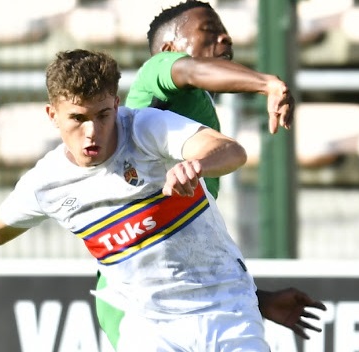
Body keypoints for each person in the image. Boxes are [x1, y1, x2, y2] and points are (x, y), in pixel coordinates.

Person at [0, 49, 275, 351]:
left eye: (102, 115)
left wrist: (198, 166)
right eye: (78, 119)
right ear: (52, 115)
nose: (93, 132)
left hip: (225, 305)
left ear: (116, 103)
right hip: (150, 326)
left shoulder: (145, 128)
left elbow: (230, 150)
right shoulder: (49, 181)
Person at [95, 0, 326, 349]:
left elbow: (183, 245)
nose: (225, 38)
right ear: (171, 49)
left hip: (185, 298)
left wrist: (258, 299)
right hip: (137, 302)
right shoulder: (157, 72)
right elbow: (190, 71)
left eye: (224, 31)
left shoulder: (198, 128)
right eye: (209, 32)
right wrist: (267, 83)